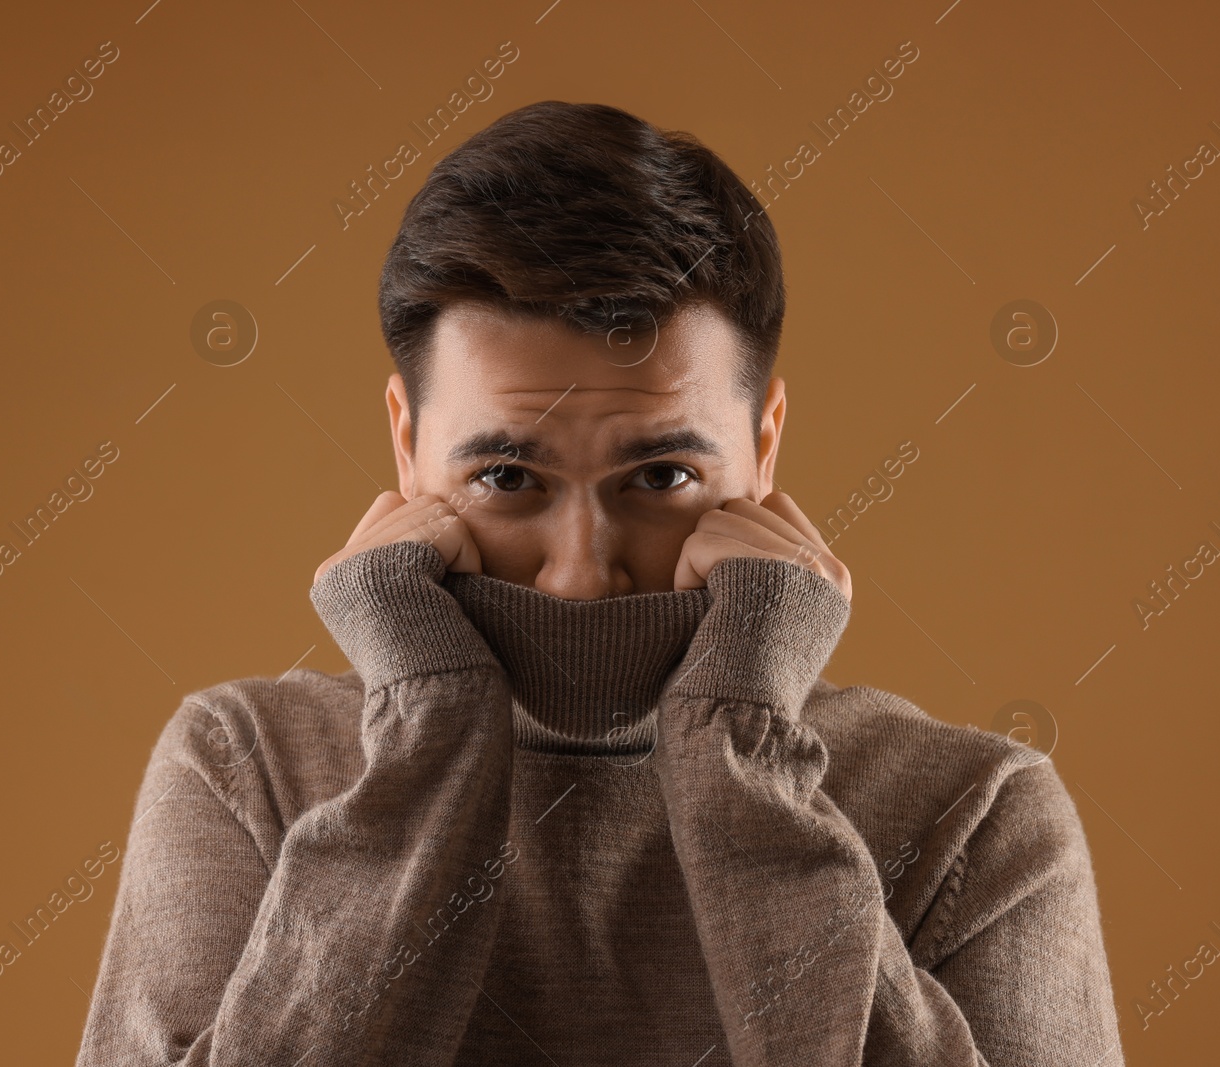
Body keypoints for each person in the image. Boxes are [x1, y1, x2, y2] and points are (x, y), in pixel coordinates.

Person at [74, 100, 1123, 1065]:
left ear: (764, 447)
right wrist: (429, 730)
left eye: (660, 476)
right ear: (405, 445)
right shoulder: (244, 765)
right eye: (506, 476)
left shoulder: (972, 813)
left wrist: (743, 750)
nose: (579, 576)